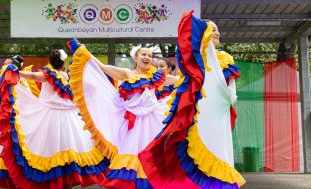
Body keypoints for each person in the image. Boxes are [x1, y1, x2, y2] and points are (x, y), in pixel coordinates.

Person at [138, 11, 245, 189]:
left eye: (217, 30)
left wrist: (226, 100)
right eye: (212, 30)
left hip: (219, 111)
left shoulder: (225, 58)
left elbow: (230, 89)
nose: (216, 33)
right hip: (200, 111)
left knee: (217, 146)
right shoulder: (195, 60)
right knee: (195, 148)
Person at [67, 38, 179, 189]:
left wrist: (193, 73)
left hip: (152, 119)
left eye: (150, 55)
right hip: (133, 122)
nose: (147, 57)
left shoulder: (156, 76)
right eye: (144, 54)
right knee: (132, 153)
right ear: (136, 57)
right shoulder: (127, 73)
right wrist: (85, 53)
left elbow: (176, 80)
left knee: (153, 153)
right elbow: (102, 67)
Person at [0, 50, 109, 189]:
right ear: (63, 62)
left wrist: (17, 72)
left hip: (51, 118)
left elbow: (33, 76)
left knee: (49, 153)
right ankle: (65, 184)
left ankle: (56, 183)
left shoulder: (49, 75)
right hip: (70, 120)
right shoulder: (68, 77)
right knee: (69, 155)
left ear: (50, 62)